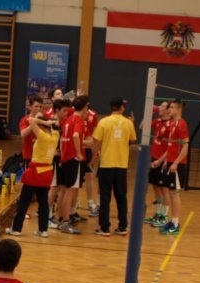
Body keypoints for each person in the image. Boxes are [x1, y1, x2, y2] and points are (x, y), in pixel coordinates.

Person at [8, 111, 59, 237]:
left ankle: (17, 229)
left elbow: (31, 120)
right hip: (47, 173)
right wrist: (48, 123)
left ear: (42, 126)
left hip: (36, 173)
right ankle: (43, 230)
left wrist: (43, 121)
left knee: (24, 201)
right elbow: (54, 125)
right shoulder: (55, 135)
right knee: (43, 203)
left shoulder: (42, 136)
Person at [92, 98, 137, 237]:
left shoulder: (103, 122)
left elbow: (97, 142)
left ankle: (104, 228)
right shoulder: (128, 123)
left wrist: (92, 160)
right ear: (122, 107)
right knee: (121, 197)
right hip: (121, 165)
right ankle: (123, 226)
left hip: (106, 164)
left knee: (105, 197)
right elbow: (132, 140)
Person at [151, 100, 189, 235]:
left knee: (174, 193)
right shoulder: (172, 124)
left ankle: (176, 223)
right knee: (170, 192)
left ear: (178, 109)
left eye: (172, 108)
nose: (169, 110)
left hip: (177, 164)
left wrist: (176, 162)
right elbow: (170, 147)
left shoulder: (181, 124)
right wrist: (162, 161)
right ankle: (172, 221)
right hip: (170, 162)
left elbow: (186, 146)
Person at [52, 96, 87, 234]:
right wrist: (79, 153)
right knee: (69, 191)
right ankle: (65, 222)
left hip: (64, 158)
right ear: (85, 107)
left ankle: (60, 219)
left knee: (64, 190)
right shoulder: (77, 120)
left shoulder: (68, 118)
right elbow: (76, 136)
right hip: (72, 159)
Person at [144, 101, 172, 227]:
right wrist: (149, 113)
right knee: (155, 186)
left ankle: (164, 216)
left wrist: (161, 160)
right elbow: (142, 127)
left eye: (162, 106)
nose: (159, 107)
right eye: (159, 105)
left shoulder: (170, 125)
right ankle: (158, 214)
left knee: (164, 188)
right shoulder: (158, 121)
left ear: (168, 110)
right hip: (154, 158)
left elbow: (171, 147)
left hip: (162, 161)